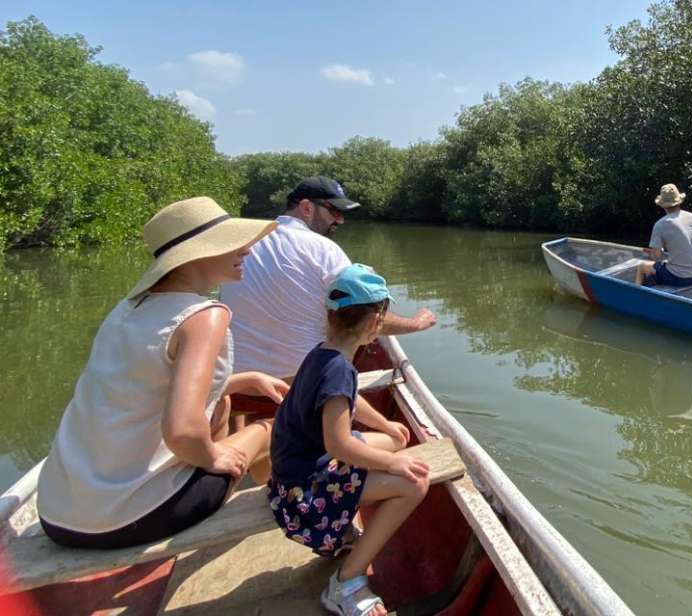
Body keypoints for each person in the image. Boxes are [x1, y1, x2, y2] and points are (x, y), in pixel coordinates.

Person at [36, 197, 288, 549]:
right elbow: (183, 431)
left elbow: (140, 387)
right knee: (274, 427)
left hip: (56, 515)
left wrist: (243, 380)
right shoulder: (205, 316)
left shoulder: (127, 308)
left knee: (224, 404)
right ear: (195, 255)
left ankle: (234, 482)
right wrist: (215, 458)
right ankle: (275, 517)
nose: (246, 250)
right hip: (126, 519)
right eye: (232, 242)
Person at [268, 264, 430, 616]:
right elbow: (339, 444)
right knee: (414, 483)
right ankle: (345, 583)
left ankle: (341, 533)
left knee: (396, 441)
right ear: (376, 324)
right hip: (303, 493)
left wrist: (387, 425)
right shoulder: (339, 370)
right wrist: (393, 464)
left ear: (331, 315)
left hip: (294, 471)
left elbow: (347, 402)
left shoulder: (322, 354)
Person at [220, 176, 435, 431]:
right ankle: (275, 433)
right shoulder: (323, 249)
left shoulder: (243, 243)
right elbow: (366, 316)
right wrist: (416, 324)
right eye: (334, 211)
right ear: (307, 208)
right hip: (298, 385)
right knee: (353, 329)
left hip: (238, 383)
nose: (340, 220)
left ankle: (247, 432)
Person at [635, 183, 692, 288]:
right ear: (679, 201)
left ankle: (638, 294)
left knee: (642, 267)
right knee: (664, 265)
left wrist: (653, 252)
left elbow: (656, 257)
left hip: (677, 278)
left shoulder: (660, 224)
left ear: (663, 205)